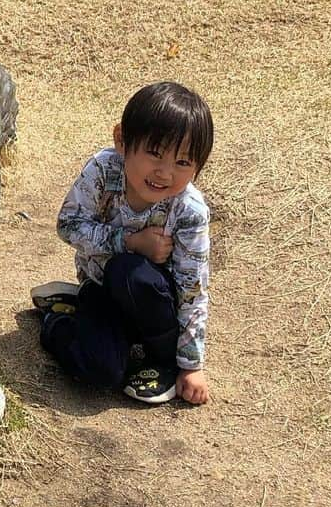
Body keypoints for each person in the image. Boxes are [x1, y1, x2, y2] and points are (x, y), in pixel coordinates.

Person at [34, 82, 214, 405]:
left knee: (132, 274)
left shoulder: (190, 210)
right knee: (101, 371)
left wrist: (191, 365)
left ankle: (161, 361)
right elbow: (68, 224)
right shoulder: (103, 169)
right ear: (122, 140)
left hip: (157, 307)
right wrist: (129, 241)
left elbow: (192, 289)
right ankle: (58, 322)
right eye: (155, 153)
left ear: (199, 166)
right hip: (101, 289)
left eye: (183, 163)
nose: (164, 173)